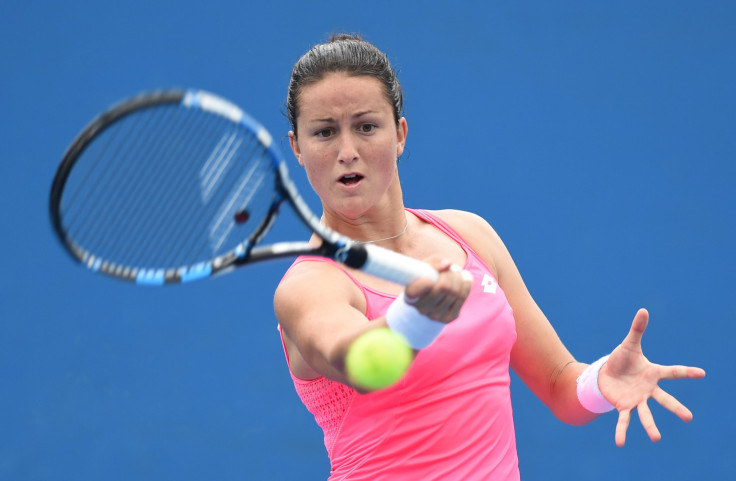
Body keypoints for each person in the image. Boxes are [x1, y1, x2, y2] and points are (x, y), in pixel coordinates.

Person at [273, 33, 705, 480]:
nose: (347, 152)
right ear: (298, 149)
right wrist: (415, 317)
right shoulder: (310, 286)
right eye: (324, 132)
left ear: (400, 134)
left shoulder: (470, 235)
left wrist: (599, 383)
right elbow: (360, 361)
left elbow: (559, 385)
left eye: (366, 126)